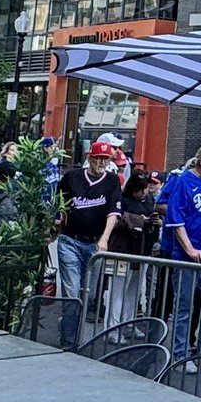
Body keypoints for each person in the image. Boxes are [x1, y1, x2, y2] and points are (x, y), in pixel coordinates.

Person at [51, 137, 121, 349]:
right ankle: (70, 343)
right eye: (98, 158)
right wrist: (54, 226)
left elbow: (113, 212)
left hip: (94, 244)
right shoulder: (72, 177)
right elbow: (59, 205)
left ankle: (71, 326)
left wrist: (104, 239)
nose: (102, 163)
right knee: (72, 292)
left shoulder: (111, 181)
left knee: (88, 295)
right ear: (90, 158)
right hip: (70, 241)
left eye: (105, 159)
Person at [161, 144, 201, 370]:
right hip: (189, 256)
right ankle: (180, 354)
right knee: (184, 306)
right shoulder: (183, 182)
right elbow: (176, 220)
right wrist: (188, 249)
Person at [101, 168, 161, 329]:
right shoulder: (121, 199)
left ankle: (128, 323)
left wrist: (153, 222)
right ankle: (112, 326)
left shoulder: (148, 199)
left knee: (134, 291)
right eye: (139, 189)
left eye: (145, 188)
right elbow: (115, 220)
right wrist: (138, 221)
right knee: (117, 290)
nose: (142, 192)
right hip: (123, 249)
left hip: (143, 249)